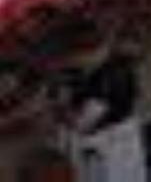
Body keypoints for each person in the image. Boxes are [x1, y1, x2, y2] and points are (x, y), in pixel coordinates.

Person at [59, 28, 146, 182]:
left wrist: (63, 111)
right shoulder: (116, 69)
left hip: (107, 146)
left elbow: (83, 122)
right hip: (122, 139)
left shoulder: (106, 80)